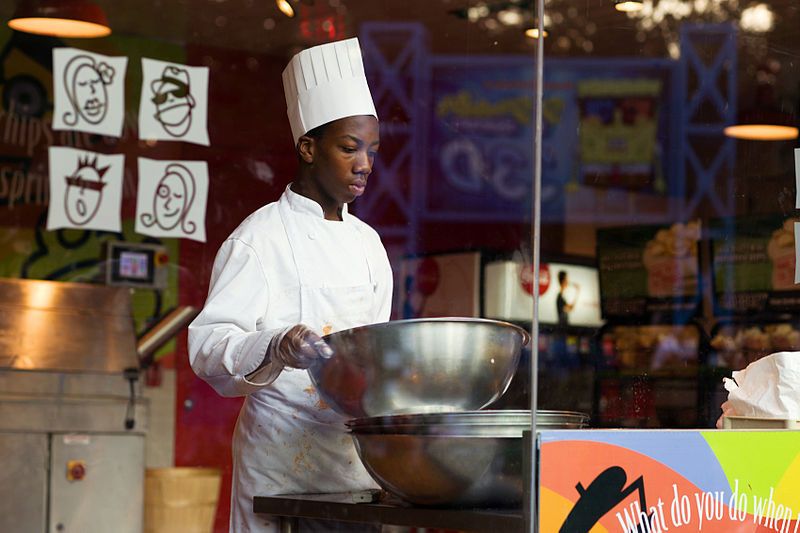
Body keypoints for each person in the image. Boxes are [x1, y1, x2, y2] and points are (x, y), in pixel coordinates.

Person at [188, 37, 392, 532]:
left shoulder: (369, 245)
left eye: (372, 150)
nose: (364, 163)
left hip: (352, 466)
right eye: (349, 148)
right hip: (280, 468)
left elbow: (376, 353)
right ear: (308, 147)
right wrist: (276, 346)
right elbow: (208, 347)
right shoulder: (260, 238)